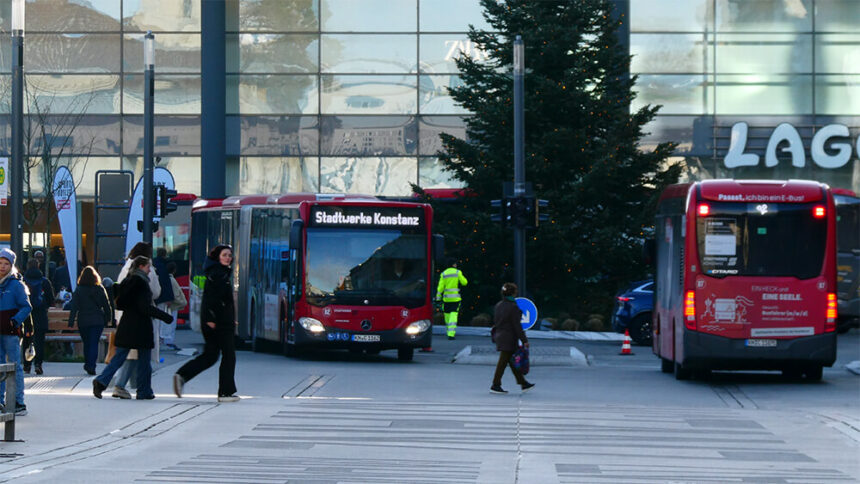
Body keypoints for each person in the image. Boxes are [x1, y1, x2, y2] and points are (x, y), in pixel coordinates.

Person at [92, 256, 172, 400]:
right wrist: (165, 316)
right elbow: (144, 307)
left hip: (126, 325)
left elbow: (121, 303)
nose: (150, 270)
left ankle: (101, 380)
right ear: (141, 266)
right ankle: (144, 390)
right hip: (140, 327)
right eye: (148, 267)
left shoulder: (128, 281)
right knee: (144, 361)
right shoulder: (141, 283)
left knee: (119, 357)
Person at [173, 245, 239, 402]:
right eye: (224, 255)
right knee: (229, 356)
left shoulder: (217, 273)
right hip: (219, 323)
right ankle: (225, 392)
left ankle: (182, 375)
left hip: (218, 322)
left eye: (229, 255)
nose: (228, 258)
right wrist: (211, 318)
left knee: (210, 356)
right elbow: (212, 298)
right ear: (217, 257)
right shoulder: (218, 274)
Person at [111, 242, 162, 399]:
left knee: (132, 354)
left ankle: (138, 387)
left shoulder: (126, 267)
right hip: (140, 317)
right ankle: (124, 385)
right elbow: (155, 292)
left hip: (125, 315)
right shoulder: (147, 269)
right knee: (135, 354)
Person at [0, 248, 32, 415]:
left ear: (11, 266)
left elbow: (27, 306)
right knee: (0, 367)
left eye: (6, 264)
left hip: (11, 332)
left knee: (14, 366)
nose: (2, 266)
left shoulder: (16, 285)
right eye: (0, 263)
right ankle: (0, 402)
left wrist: (15, 321)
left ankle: (18, 402)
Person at [67, 266, 112, 375]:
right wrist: (108, 319)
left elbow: (74, 306)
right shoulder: (100, 289)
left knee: (87, 343)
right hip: (97, 320)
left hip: (83, 320)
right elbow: (106, 305)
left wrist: (71, 320)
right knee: (93, 343)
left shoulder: (79, 290)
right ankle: (91, 365)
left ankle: (88, 363)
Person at [490, 282, 534, 394]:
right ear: (514, 293)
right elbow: (517, 326)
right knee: (503, 362)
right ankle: (495, 385)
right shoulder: (513, 307)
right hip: (509, 338)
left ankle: (523, 383)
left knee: (511, 361)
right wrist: (525, 340)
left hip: (500, 336)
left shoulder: (498, 305)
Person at [23, 258, 55, 375]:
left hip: (26, 315)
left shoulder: (23, 280)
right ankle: (38, 364)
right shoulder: (44, 281)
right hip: (40, 314)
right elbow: (51, 299)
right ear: (38, 266)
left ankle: (26, 365)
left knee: (26, 340)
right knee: (39, 342)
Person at [435, 257, 468, 340]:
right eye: (456, 264)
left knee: (447, 315)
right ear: (453, 264)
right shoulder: (457, 272)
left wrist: (438, 298)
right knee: (453, 315)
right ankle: (451, 334)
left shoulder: (443, 274)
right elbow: (464, 283)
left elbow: (440, 287)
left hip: (446, 299)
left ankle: (448, 331)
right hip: (455, 299)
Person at [163, 262, 186, 350]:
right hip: (173, 306)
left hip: (167, 304)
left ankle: (165, 340)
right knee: (171, 325)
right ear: (174, 270)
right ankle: (169, 342)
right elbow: (177, 295)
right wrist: (182, 303)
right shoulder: (172, 280)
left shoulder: (165, 279)